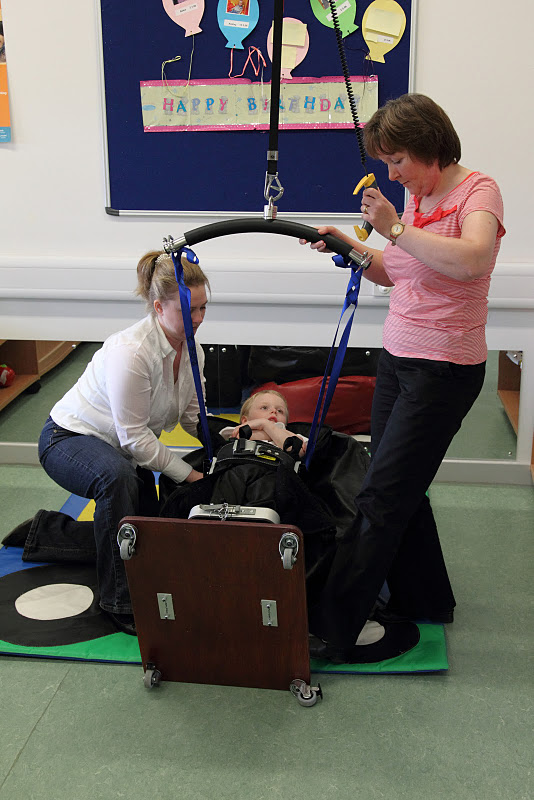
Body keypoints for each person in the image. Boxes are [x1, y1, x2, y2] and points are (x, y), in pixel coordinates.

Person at [300, 93, 506, 663]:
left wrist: (392, 228)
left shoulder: (477, 191)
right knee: (398, 488)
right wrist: (348, 247)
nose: (393, 174)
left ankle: (330, 628)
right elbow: (397, 273)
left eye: (398, 161)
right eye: (386, 162)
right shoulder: (415, 200)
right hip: (398, 357)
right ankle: (425, 597)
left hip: (445, 369)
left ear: (430, 147)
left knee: (381, 496)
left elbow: (471, 260)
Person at [7, 250, 210, 635]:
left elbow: (193, 417)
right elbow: (135, 438)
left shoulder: (194, 351)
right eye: (188, 311)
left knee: (145, 529)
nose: (198, 320)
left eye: (203, 308)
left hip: (119, 449)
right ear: (157, 307)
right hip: (67, 439)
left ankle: (47, 533)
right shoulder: (132, 352)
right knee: (117, 481)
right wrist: (189, 475)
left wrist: (233, 437)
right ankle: (117, 601)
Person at [219, 389, 308, 458]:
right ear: (245, 421)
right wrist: (266, 427)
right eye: (264, 408)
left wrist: (266, 425)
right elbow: (239, 436)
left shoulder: (293, 436)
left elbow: (295, 451)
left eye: (280, 411)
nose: (274, 411)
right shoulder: (236, 430)